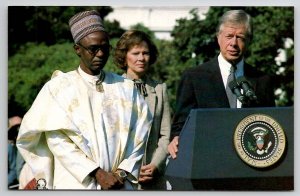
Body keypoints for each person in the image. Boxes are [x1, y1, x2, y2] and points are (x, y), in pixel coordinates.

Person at [16, 10, 152, 190]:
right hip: (76, 182)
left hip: (120, 184)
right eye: (93, 48)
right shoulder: (59, 88)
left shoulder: (126, 87)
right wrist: (97, 173)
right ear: (78, 49)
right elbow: (57, 139)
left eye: (105, 48)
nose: (101, 54)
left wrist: (121, 173)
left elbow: (140, 133)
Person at [168, 9, 275, 159]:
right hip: (207, 160)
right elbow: (181, 124)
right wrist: (176, 139)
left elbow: (270, 125)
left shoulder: (262, 80)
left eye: (240, 37)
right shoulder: (194, 77)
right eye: (229, 36)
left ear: (249, 41)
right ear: (218, 38)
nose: (233, 43)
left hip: (251, 163)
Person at [114, 30, 171, 190]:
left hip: (153, 179)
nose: (141, 58)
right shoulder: (113, 89)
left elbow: (165, 135)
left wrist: (155, 165)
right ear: (124, 57)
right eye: (135, 53)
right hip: (121, 179)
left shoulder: (160, 89)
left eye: (145, 53)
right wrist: (129, 169)